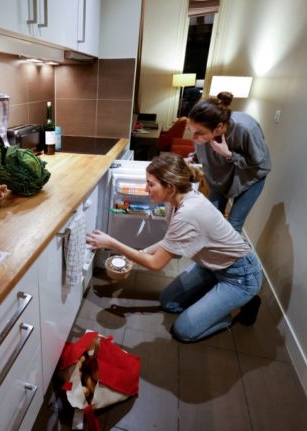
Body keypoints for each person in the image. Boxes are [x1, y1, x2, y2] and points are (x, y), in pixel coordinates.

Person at [86, 153, 263, 343]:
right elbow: (169, 240)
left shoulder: (188, 212)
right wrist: (141, 252)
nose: (146, 189)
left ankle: (240, 306)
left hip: (240, 275)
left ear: (169, 187)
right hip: (210, 267)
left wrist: (112, 243)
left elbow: (156, 264)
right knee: (168, 303)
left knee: (184, 331)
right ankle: (215, 296)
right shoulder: (176, 200)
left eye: (150, 184)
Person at [187, 91, 271, 232]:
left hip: (249, 179)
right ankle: (215, 253)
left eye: (199, 133)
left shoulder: (246, 128)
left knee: (233, 226)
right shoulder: (202, 130)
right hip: (219, 177)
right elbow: (202, 152)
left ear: (219, 127)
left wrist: (228, 154)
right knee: (212, 221)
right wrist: (191, 158)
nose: (194, 137)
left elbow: (258, 162)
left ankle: (243, 254)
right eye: (192, 131)